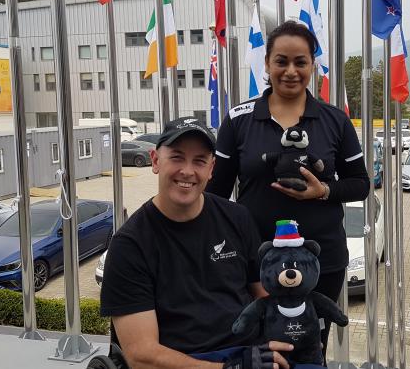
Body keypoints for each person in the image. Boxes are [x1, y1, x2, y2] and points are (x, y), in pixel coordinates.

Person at [207, 21, 371, 353]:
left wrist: (322, 191)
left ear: (313, 65)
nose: (291, 71)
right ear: (267, 64)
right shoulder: (238, 119)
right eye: (281, 61)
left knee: (310, 348)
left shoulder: (334, 120)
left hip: (319, 263)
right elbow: (216, 195)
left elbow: (361, 185)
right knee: (258, 348)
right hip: (254, 263)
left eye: (301, 62)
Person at [100, 117, 292, 369]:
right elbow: (141, 356)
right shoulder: (130, 245)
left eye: (199, 161)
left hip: (248, 355)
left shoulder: (237, 217)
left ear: (211, 169)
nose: (188, 171)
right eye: (177, 157)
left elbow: (263, 293)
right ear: (156, 161)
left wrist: (291, 332)